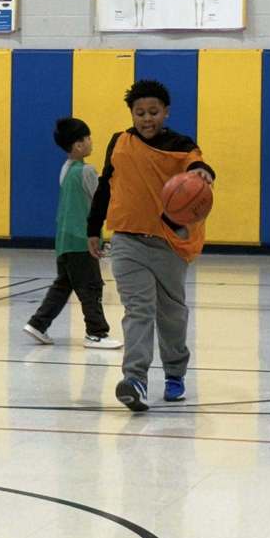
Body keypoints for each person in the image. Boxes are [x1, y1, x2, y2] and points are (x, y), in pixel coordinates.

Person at [87, 80, 215, 411]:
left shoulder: (181, 145)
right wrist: (93, 227)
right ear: (131, 113)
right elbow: (105, 185)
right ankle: (135, 380)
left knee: (171, 314)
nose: (147, 119)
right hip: (127, 240)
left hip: (169, 243)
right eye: (140, 113)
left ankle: (175, 373)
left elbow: (197, 165)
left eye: (154, 112)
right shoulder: (119, 142)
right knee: (138, 310)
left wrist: (202, 173)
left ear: (166, 112)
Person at [22, 118, 122, 350]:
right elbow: (101, 202)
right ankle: (96, 333)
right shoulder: (87, 171)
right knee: (91, 286)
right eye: (87, 138)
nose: (90, 142)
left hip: (64, 239)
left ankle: (38, 323)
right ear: (78, 145)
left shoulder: (66, 169)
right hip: (81, 240)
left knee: (64, 284)